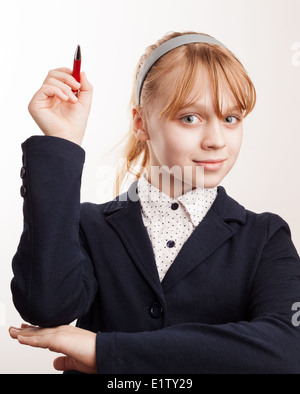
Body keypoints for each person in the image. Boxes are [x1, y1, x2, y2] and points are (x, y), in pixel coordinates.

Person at [9, 31, 300, 374]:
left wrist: (106, 351)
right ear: (141, 123)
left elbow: (287, 349)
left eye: (231, 118)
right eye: (190, 118)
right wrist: (61, 142)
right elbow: (45, 306)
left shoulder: (266, 236)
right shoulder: (88, 226)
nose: (217, 140)